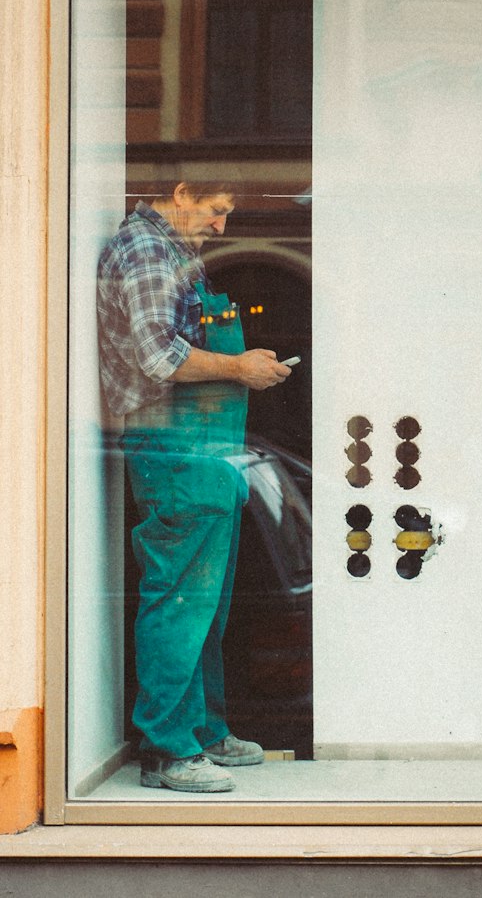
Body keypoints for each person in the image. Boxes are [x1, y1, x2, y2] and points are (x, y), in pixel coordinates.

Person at [97, 181, 291, 793]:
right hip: (175, 448)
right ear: (181, 193)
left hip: (204, 448)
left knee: (204, 602)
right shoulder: (149, 255)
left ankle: (202, 731)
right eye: (216, 210)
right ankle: (166, 748)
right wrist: (239, 367)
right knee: (180, 598)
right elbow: (158, 357)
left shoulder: (171, 253)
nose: (221, 226)